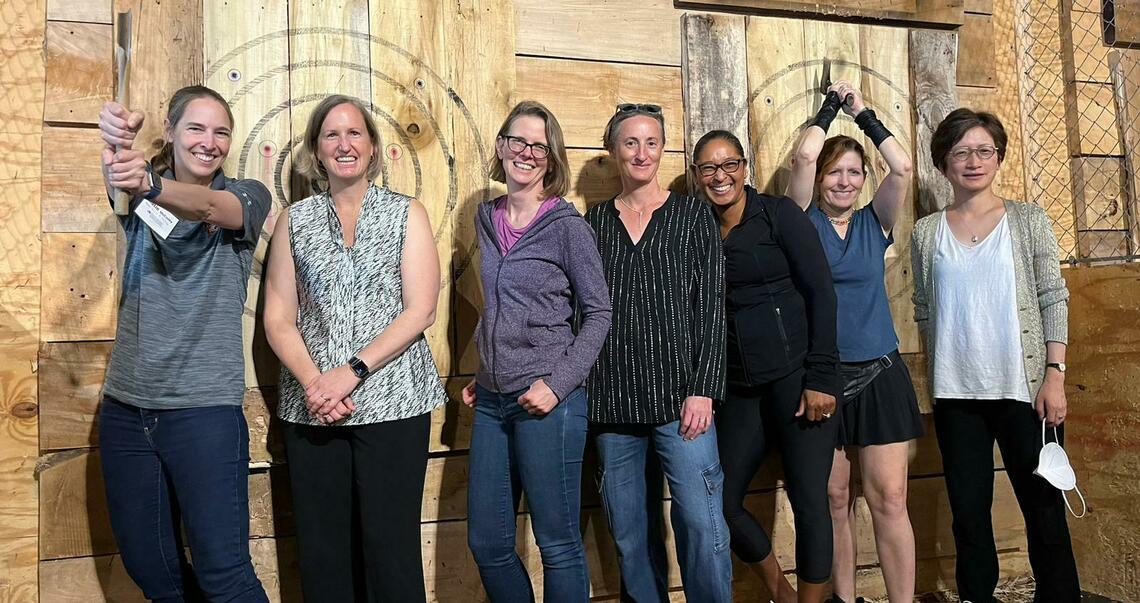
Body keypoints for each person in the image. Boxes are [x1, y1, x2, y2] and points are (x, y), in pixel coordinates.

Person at [262, 94, 446, 602]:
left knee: (390, 554)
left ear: (372, 146)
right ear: (316, 152)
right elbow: (278, 318)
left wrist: (350, 372)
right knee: (323, 558)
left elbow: (421, 310)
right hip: (313, 410)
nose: (344, 144)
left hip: (393, 404)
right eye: (331, 135)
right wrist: (316, 384)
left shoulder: (407, 213)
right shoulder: (294, 221)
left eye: (354, 134)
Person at [96, 86, 271, 601]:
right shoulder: (135, 192)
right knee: (154, 573)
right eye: (196, 128)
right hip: (127, 409)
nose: (209, 142)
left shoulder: (247, 195)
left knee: (225, 576)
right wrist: (114, 146)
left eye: (221, 131)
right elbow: (119, 177)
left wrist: (149, 182)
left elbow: (212, 208)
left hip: (203, 412)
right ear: (170, 132)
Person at [911, 108, 1080, 602]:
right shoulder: (927, 232)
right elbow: (924, 307)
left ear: (999, 157)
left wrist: (1054, 374)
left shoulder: (1027, 220)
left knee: (1044, 509)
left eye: (984, 150)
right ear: (943, 162)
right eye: (961, 152)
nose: (973, 161)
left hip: (1025, 390)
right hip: (956, 396)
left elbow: (1053, 295)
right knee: (968, 513)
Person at [461, 100, 612, 603]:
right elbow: (501, 304)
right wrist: (487, 362)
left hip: (549, 400)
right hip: (490, 398)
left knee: (558, 543)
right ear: (501, 147)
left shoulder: (566, 226)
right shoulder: (486, 218)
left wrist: (557, 383)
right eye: (518, 141)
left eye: (539, 146)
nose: (526, 152)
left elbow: (599, 314)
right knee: (488, 543)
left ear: (552, 159)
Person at [585, 103, 732, 602]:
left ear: (663, 149)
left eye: (651, 142)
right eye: (630, 142)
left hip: (683, 403)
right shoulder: (594, 222)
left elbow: (712, 307)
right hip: (613, 403)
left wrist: (704, 390)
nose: (641, 152)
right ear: (613, 152)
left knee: (700, 522)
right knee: (629, 535)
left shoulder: (693, 215)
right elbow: (583, 311)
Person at [786, 82, 923, 603]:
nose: (843, 181)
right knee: (834, 497)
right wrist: (828, 107)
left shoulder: (875, 222)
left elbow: (904, 168)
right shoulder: (800, 223)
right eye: (833, 172)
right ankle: (844, 600)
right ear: (820, 179)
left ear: (864, 179)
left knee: (889, 498)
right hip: (823, 379)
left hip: (880, 375)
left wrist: (862, 114)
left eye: (853, 172)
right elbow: (801, 153)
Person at [694, 129, 841, 603]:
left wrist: (820, 378)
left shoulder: (778, 216)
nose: (721, 176)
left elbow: (821, 292)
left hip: (797, 378)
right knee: (720, 500)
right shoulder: (696, 228)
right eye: (709, 168)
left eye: (729, 164)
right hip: (739, 388)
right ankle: (781, 592)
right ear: (698, 176)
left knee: (809, 500)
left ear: (745, 167)